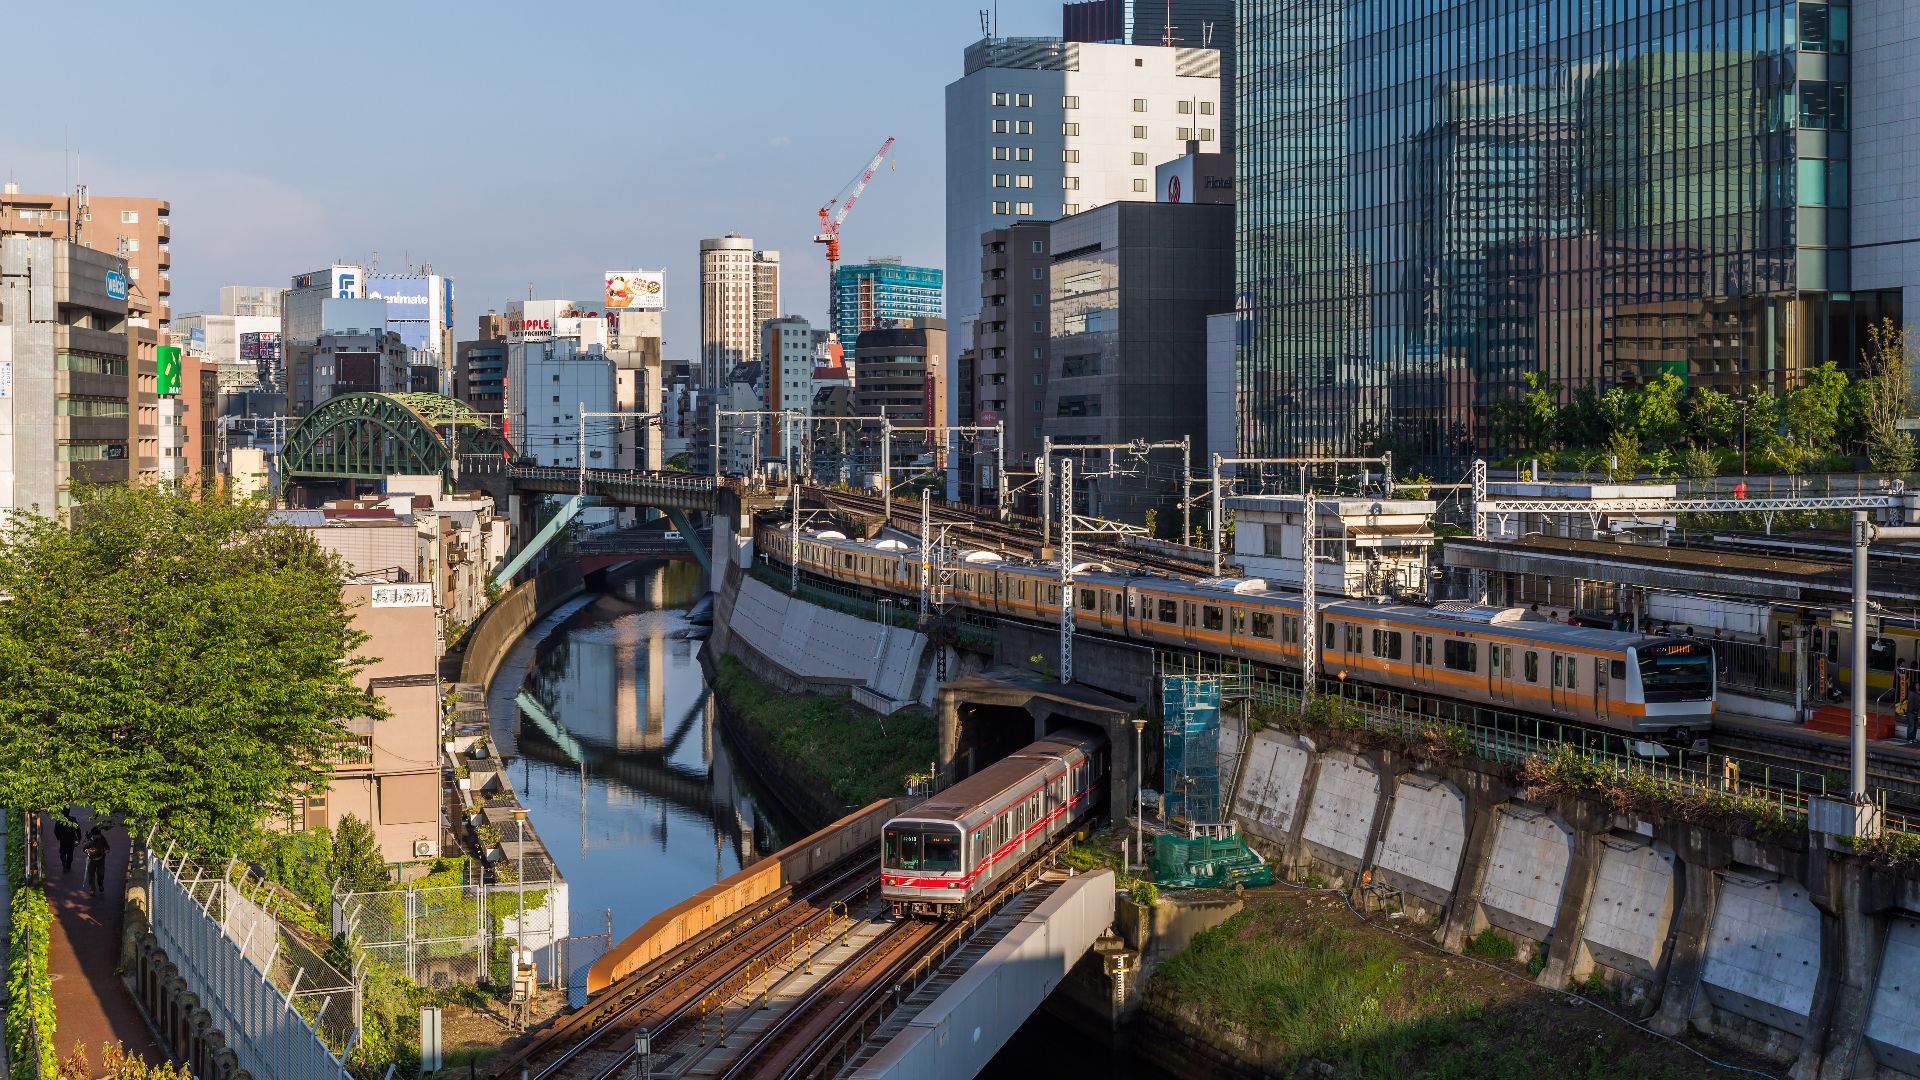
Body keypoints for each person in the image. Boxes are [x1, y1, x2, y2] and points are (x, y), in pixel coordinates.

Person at [83, 826, 109, 896]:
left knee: (101, 874)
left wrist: (105, 852)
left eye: (98, 836)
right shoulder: (89, 839)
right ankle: (92, 889)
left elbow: (107, 848)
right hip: (91, 860)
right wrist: (88, 851)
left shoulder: (102, 838)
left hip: (101, 860)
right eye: (95, 836)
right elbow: (84, 849)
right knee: (91, 876)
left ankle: (100, 884)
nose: (96, 837)